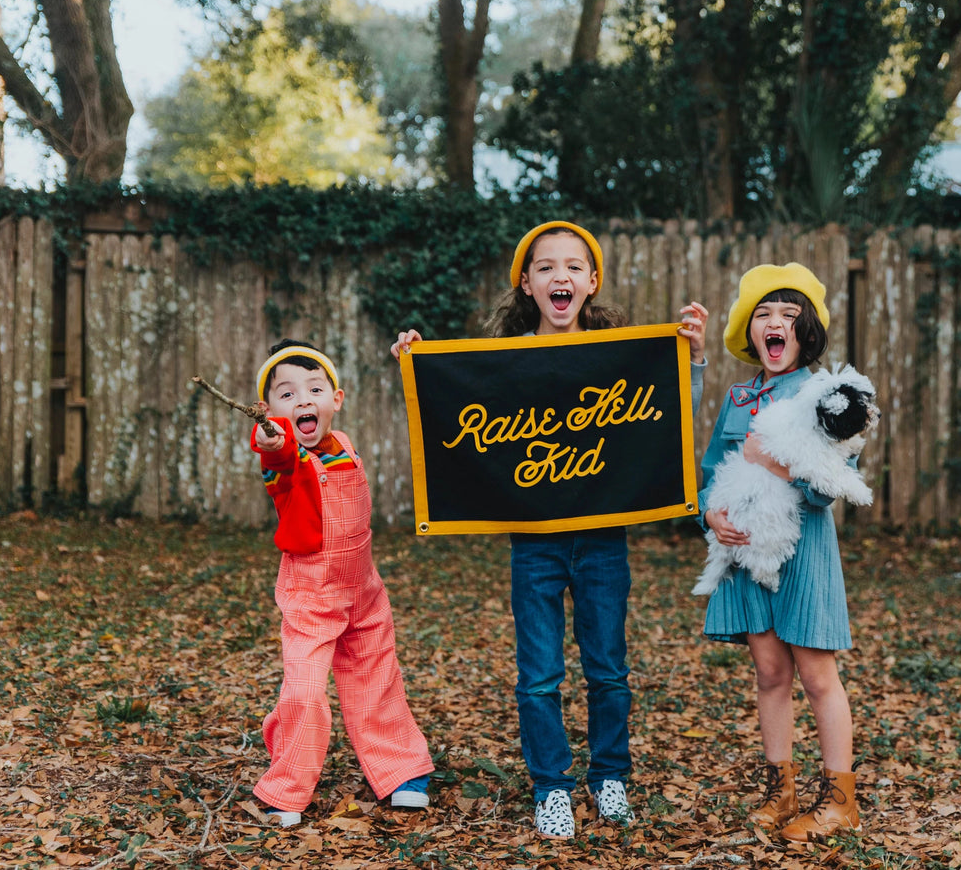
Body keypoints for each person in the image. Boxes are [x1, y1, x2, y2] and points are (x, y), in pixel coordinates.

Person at [392, 220, 708, 839]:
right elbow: (451, 419)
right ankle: (552, 787)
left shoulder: (621, 357)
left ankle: (609, 775)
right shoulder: (504, 366)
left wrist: (690, 360)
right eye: (545, 267)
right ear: (527, 285)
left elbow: (667, 419)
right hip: (532, 541)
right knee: (538, 676)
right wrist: (419, 365)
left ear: (591, 282)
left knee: (608, 669)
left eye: (572, 266)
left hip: (602, 541)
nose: (559, 276)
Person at [699, 263, 862, 843]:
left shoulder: (825, 393)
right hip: (746, 553)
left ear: (807, 331)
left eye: (788, 316)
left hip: (805, 554)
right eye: (764, 315)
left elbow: (831, 486)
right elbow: (710, 471)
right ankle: (781, 788)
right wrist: (710, 514)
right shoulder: (739, 396)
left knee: (817, 674)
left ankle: (840, 799)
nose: (775, 324)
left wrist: (780, 465)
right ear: (751, 331)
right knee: (770, 671)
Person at [248, 338, 434, 828]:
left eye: (314, 389)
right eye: (287, 395)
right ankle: (287, 788)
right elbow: (278, 450)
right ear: (270, 412)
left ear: (338, 399)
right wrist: (272, 438)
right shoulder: (283, 461)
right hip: (311, 597)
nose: (303, 400)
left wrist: (411, 358)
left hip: (364, 593)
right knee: (305, 693)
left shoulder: (344, 446)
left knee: (378, 681)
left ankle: (400, 772)